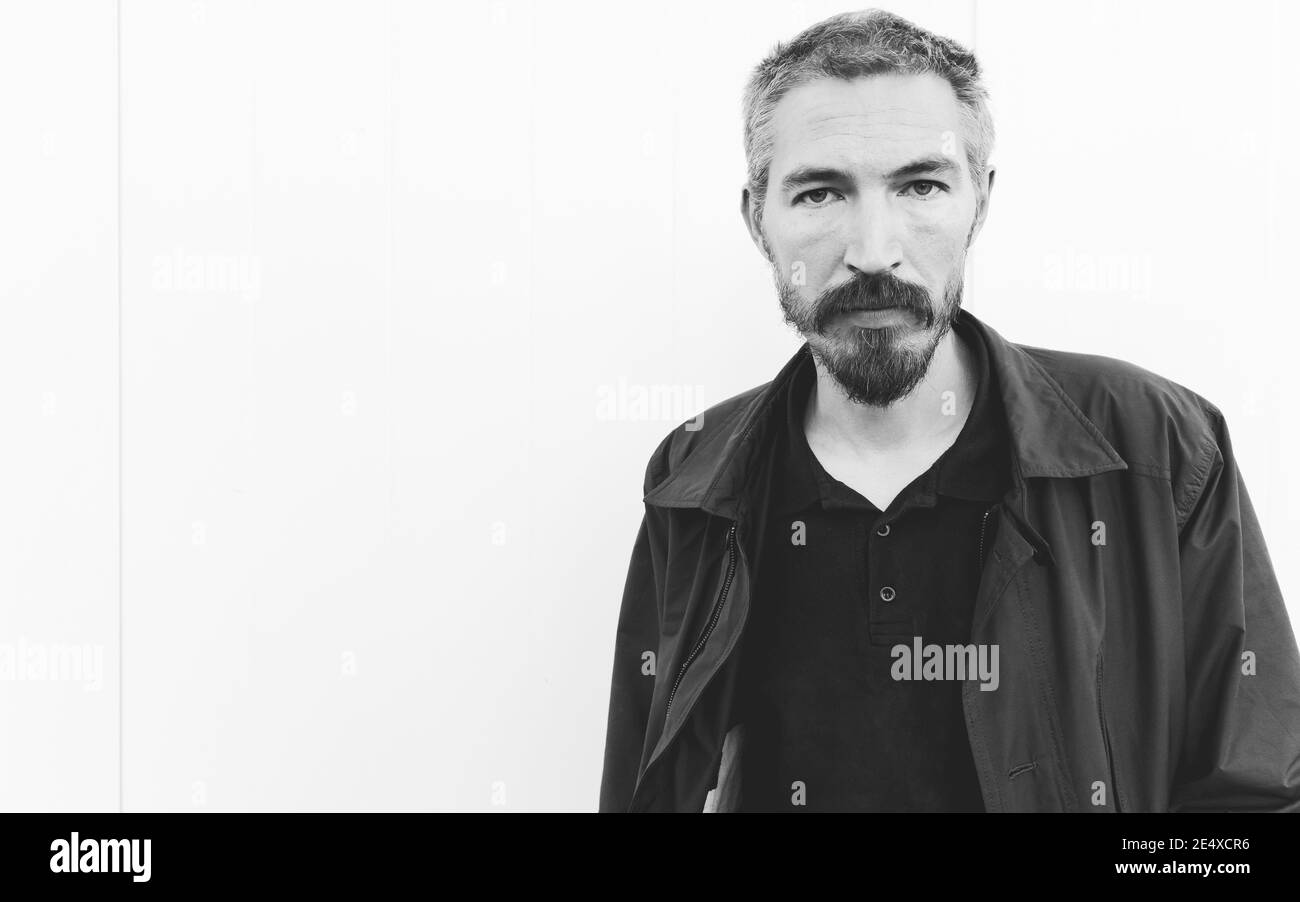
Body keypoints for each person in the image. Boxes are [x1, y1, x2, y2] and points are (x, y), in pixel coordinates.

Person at [598, 8, 1300, 812]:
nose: (873, 249)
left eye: (920, 185)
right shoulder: (693, 473)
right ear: (759, 220)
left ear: (981, 201)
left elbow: (1254, 805)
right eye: (821, 192)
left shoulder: (1158, 448)